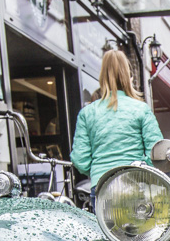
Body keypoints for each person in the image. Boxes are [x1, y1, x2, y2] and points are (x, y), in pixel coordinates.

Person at [70, 50, 163, 188]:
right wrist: (141, 167)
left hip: (102, 185)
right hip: (135, 182)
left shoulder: (87, 113)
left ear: (102, 76)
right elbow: (156, 152)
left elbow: (79, 159)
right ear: (127, 74)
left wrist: (98, 170)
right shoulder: (141, 109)